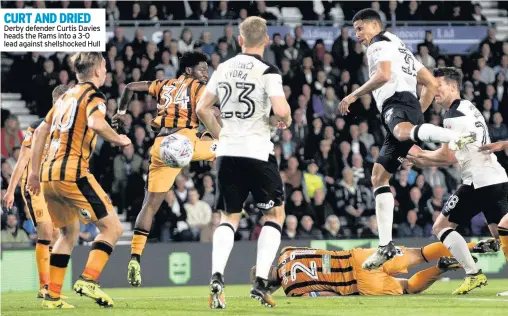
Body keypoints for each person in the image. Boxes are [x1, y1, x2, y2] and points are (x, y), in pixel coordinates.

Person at [337, 9, 476, 270]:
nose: (357, 35)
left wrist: (353, 95)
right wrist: (417, 121)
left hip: (395, 103)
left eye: (360, 28)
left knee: (401, 133)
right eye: (355, 30)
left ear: (375, 25)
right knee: (379, 177)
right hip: (407, 105)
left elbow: (383, 76)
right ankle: (385, 245)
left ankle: (454, 137)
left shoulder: (377, 45)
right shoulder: (399, 46)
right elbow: (430, 84)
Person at [196, 16, 292, 309]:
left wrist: (221, 134)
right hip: (258, 153)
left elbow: (202, 107)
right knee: (275, 216)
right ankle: (261, 283)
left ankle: (216, 278)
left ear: (239, 40)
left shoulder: (222, 68)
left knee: (229, 218)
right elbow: (281, 109)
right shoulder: (268, 70)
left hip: (227, 153)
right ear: (265, 40)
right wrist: (284, 119)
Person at [26, 52, 131, 309]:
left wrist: (33, 173)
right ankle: (88, 279)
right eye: (105, 67)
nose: (106, 72)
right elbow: (96, 123)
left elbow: (40, 131)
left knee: (69, 233)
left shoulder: (64, 98)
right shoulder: (94, 96)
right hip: (72, 173)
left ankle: (52, 296)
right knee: (113, 229)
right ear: (97, 71)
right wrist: (119, 138)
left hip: (49, 175)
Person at [113, 51, 219, 287]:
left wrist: (121, 113)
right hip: (183, 142)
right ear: (189, 70)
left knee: (149, 205)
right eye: (202, 68)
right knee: (225, 145)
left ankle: (134, 257)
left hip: (161, 147)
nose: (206, 72)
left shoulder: (164, 85)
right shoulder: (199, 87)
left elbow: (130, 87)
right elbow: (216, 107)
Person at [406, 67, 508, 296]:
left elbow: (447, 156)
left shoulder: (454, 115)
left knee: (441, 226)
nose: (434, 90)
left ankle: (473, 274)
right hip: (492, 178)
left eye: (438, 85)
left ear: (453, 86)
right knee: (500, 233)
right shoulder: (467, 107)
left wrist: (420, 157)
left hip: (481, 181)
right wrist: (422, 157)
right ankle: (473, 273)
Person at [250, 239, 498, 297]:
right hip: (361, 256)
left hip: (359, 283)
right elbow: (313, 252)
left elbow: (326, 295)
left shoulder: (291, 291)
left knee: (408, 287)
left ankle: (441, 269)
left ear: (270, 285)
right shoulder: (286, 252)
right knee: (420, 253)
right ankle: (473, 246)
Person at [2, 84, 68, 299]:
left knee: (59, 235)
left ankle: (51, 287)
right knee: (47, 232)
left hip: (53, 187)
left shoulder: (66, 132)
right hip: (33, 187)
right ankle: (44, 287)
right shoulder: (37, 128)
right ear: (55, 102)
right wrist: (11, 190)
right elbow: (22, 161)